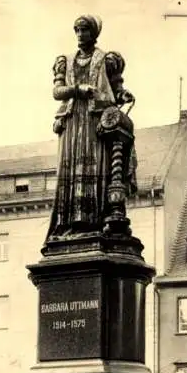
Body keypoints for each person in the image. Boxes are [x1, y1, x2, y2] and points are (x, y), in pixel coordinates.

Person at [46, 14, 137, 241]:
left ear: (94, 33)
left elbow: (116, 89)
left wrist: (123, 94)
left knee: (95, 169)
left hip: (96, 123)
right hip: (72, 122)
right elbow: (57, 92)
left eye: (84, 30)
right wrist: (78, 89)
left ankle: (95, 221)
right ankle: (69, 222)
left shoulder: (107, 60)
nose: (80, 34)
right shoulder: (64, 61)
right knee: (71, 171)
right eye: (77, 30)